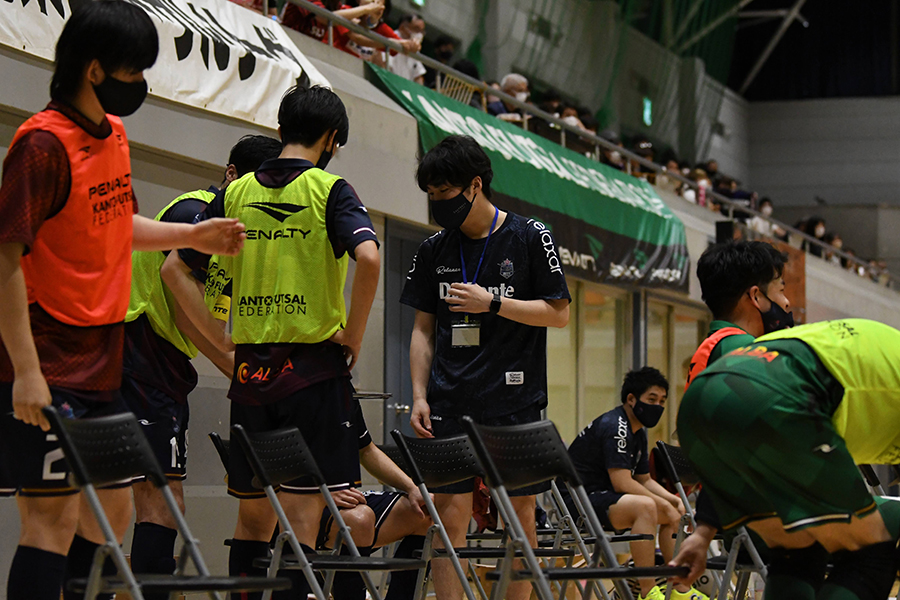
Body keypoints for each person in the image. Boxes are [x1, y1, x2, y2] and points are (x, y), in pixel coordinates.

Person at [0, 3, 246, 600]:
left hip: (101, 361)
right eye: (133, 71)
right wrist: (26, 372)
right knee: (52, 516)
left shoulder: (113, 134)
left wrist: (192, 235)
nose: (140, 83)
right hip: (48, 356)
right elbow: (5, 258)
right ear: (93, 70)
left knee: (112, 508)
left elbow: (116, 224)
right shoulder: (42, 146)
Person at [162, 84, 380, 599]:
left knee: (254, 518)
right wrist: (353, 333)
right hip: (312, 374)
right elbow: (369, 258)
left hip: (252, 376)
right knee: (303, 520)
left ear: (280, 130)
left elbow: (175, 269)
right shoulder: (330, 189)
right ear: (332, 138)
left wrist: (221, 341)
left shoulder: (235, 192)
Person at [400, 134, 571, 600]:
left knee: (520, 517)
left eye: (444, 192)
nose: (437, 202)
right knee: (448, 515)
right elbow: (422, 331)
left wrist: (492, 302)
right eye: (431, 194)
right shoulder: (433, 249)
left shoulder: (531, 236)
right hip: (449, 403)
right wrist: (419, 394)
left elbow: (559, 314)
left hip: (514, 404)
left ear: (475, 185)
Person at [123, 135, 282, 596]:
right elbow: (187, 316)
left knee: (160, 499)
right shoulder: (194, 213)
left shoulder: (235, 239)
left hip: (166, 363)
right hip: (138, 350)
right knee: (159, 499)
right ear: (231, 175)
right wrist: (244, 372)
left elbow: (208, 321)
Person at [671, 319, 900, 600]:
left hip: (699, 403)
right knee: (868, 552)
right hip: (777, 399)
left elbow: (736, 407)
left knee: (797, 551)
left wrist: (702, 534)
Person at [561, 368, 707, 600]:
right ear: (631, 399)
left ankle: (679, 589)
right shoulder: (616, 426)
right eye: (651, 399)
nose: (657, 406)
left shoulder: (637, 431)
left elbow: (644, 480)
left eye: (662, 401)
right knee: (646, 507)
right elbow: (622, 482)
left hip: (605, 498)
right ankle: (647, 592)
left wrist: (673, 500)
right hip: (578, 503)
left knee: (675, 511)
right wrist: (661, 503)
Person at [317, 400, 431, 600]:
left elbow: (367, 451)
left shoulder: (344, 394)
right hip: (298, 501)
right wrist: (319, 491)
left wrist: (412, 488)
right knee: (359, 520)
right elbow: (271, 456)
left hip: (345, 501)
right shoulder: (291, 391)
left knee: (425, 511)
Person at [684, 241, 791, 391]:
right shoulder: (742, 346)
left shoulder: (720, 344)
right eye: (781, 290)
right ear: (756, 296)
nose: (787, 303)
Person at [388, 13, 426, 84]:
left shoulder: (414, 48)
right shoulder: (391, 40)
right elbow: (383, 65)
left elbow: (418, 76)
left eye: (421, 31)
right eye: (416, 29)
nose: (419, 34)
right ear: (403, 27)